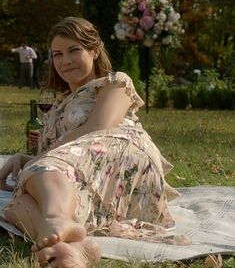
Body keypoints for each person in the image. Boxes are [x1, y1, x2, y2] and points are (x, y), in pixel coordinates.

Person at [0, 17, 188, 268]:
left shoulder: (114, 83)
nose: (64, 61)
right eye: (57, 54)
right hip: (75, 165)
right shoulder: (59, 104)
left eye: (74, 50)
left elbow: (99, 127)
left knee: (43, 169)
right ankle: (75, 248)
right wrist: (21, 159)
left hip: (119, 152)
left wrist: (36, 161)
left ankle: (56, 219)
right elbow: (58, 153)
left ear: (95, 51)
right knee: (16, 206)